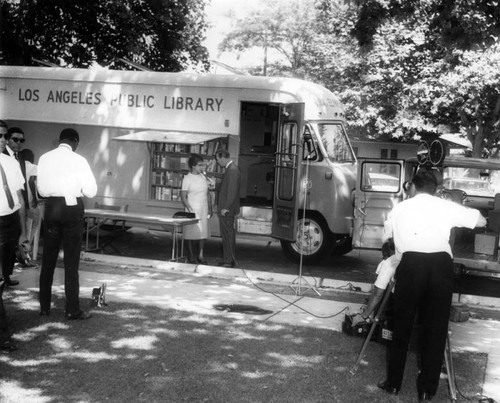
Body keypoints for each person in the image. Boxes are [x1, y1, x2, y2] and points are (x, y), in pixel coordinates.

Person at [377, 169, 487, 401]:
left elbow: (386, 237)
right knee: (435, 329)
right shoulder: (443, 205)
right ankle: (427, 390)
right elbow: (480, 220)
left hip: (411, 264)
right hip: (440, 265)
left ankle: (393, 383)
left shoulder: (400, 208)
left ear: (413, 187)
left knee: (402, 325)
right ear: (436, 189)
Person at [37, 128, 97, 320]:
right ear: (75, 142)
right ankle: (72, 309)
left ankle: (44, 307)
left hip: (52, 207)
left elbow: (42, 190)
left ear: (60, 140)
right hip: (72, 210)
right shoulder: (80, 160)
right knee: (71, 261)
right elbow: (91, 191)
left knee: (48, 259)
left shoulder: (45, 158)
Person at [0, 119, 29, 351]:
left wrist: (22, 233)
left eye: (2, 135)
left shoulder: (10, 163)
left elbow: (19, 200)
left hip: (8, 224)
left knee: (1, 277)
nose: (2, 140)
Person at [180, 154, 212, 264]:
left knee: (203, 233)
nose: (202, 167)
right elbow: (183, 197)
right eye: (199, 165)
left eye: (202, 165)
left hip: (203, 208)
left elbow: (207, 193)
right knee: (190, 233)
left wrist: (210, 208)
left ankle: (201, 256)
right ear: (193, 166)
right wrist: (189, 209)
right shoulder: (187, 178)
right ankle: (191, 256)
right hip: (192, 209)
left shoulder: (203, 177)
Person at [215, 149, 240, 268]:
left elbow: (232, 192)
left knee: (228, 235)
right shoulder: (231, 169)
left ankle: (229, 260)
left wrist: (226, 207)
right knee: (226, 235)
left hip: (227, 210)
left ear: (223, 157)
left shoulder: (232, 170)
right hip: (227, 209)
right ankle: (227, 258)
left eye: (218, 159)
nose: (217, 162)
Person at [18, 148, 40, 267]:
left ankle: (21, 249)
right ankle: (26, 249)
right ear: (32, 157)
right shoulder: (33, 166)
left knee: (24, 227)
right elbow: (32, 181)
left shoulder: (18, 166)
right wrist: (35, 199)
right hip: (31, 202)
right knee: (35, 223)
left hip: (19, 203)